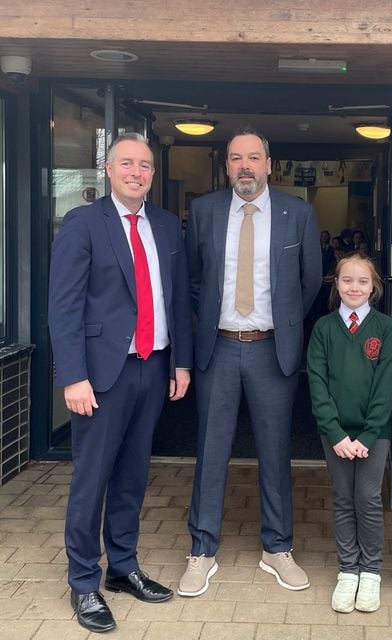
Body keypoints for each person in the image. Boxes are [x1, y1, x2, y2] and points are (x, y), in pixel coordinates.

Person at [48, 132, 193, 633]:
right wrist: (73, 376)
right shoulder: (84, 223)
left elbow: (176, 300)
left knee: (132, 474)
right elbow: (63, 306)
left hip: (152, 367)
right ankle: (84, 580)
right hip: (100, 375)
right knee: (92, 478)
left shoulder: (168, 226)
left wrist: (181, 362)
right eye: (127, 163)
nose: (137, 172)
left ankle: (123, 567)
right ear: (108, 170)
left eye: (145, 165)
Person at [180, 125, 322, 596]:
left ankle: (277, 548)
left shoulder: (296, 213)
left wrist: (276, 324)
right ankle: (201, 551)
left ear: (268, 164)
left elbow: (308, 285)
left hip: (270, 348)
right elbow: (193, 279)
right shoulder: (203, 211)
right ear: (226, 166)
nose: (245, 166)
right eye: (236, 158)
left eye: (254, 158)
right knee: (211, 450)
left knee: (276, 451)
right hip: (217, 347)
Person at [307, 255, 392, 614]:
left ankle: (371, 571)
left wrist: (369, 434)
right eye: (347, 280)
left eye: (362, 281)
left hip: (374, 434)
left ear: (373, 286)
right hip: (336, 435)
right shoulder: (324, 329)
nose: (355, 287)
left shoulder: (385, 328)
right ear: (337, 284)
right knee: (343, 497)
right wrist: (335, 433)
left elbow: (386, 384)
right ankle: (348, 570)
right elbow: (317, 383)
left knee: (367, 497)